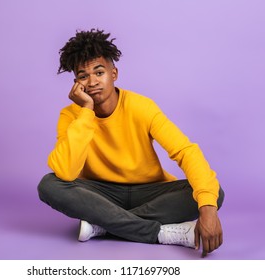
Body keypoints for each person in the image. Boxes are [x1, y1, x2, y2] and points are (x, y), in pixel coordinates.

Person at [38, 29, 225, 257]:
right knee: (49, 185)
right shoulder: (71, 115)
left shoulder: (142, 107)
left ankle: (104, 225)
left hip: (150, 192)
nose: (93, 81)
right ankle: (159, 233)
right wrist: (86, 112)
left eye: (99, 72)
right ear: (77, 83)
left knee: (213, 193)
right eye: (83, 76)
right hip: (100, 193)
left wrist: (207, 209)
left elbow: (186, 152)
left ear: (113, 73)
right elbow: (66, 172)